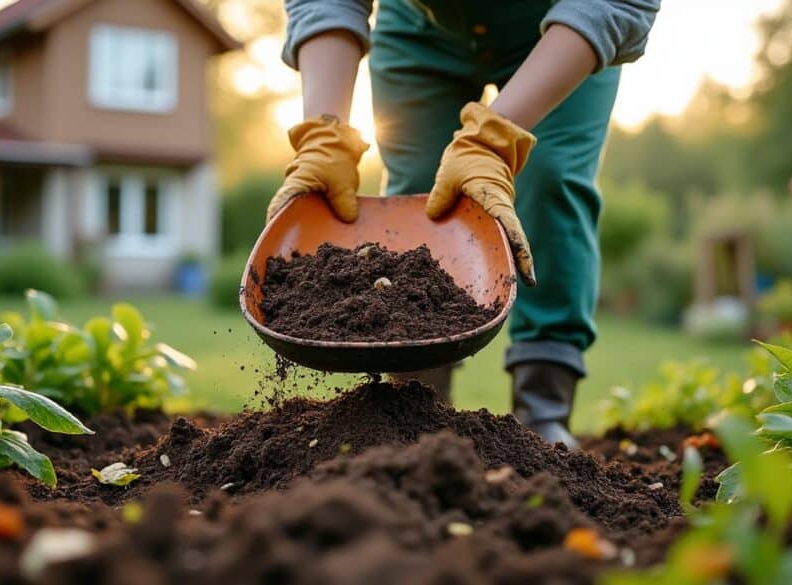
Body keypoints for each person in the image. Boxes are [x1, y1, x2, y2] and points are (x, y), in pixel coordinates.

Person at [268, 0, 660, 446]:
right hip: (420, 27)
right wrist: (324, 135)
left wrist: (491, 144)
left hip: (569, 24)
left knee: (552, 179)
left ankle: (543, 407)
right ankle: (417, 407)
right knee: (420, 193)